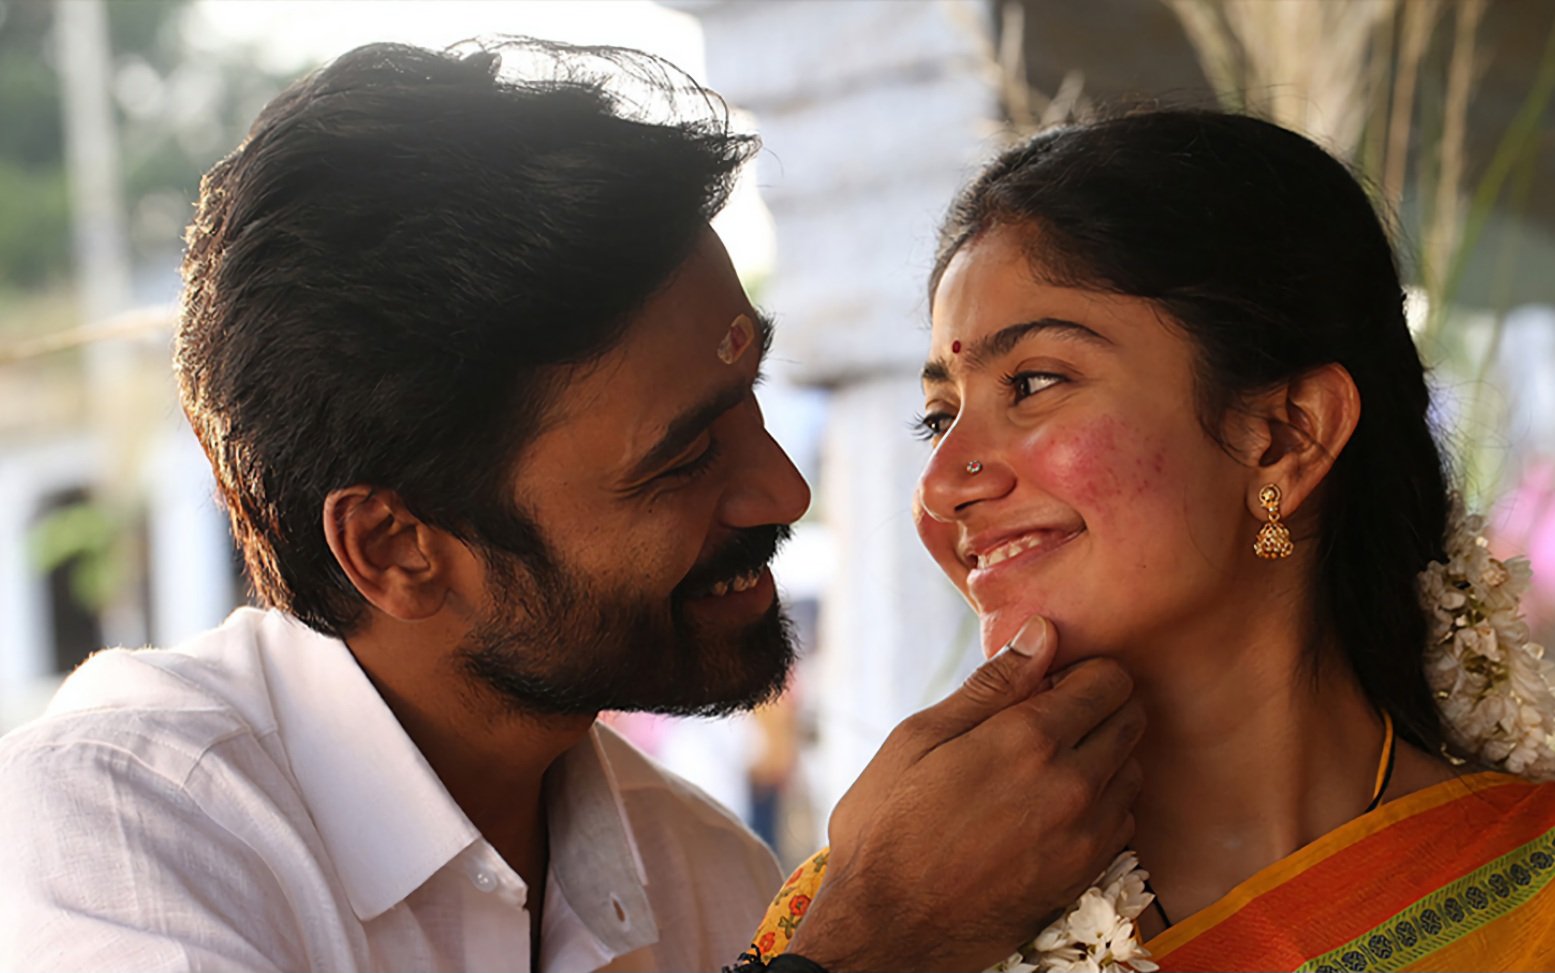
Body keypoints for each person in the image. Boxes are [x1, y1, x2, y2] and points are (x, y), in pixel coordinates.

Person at [0, 39, 1146, 973]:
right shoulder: (117, 830)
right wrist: (871, 943)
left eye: (748, 401)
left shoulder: (699, 869)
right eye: (684, 456)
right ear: (397, 548)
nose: (783, 489)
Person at [753, 109, 1555, 971]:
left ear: (1284, 436)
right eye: (938, 417)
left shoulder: (1533, 903)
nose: (942, 485)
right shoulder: (866, 920)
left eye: (1032, 382)